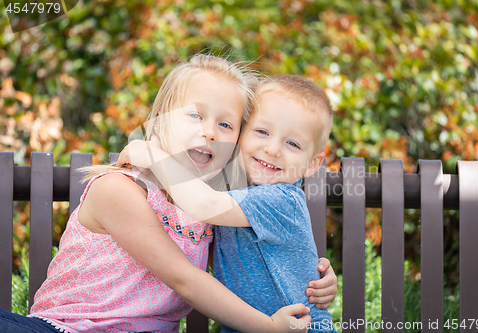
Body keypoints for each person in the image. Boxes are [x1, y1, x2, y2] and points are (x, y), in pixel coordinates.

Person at [0, 54, 335, 333]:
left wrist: (315, 274)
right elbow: (184, 278)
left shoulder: (211, 210)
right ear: (159, 123)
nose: (209, 131)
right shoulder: (119, 190)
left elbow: (265, 253)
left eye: (226, 125)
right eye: (195, 115)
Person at [119, 74, 339, 332]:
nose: (272, 149)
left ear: (312, 163)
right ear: (240, 134)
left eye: (292, 143)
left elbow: (204, 205)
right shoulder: (233, 193)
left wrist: (150, 153)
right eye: (262, 131)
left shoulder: (281, 201)